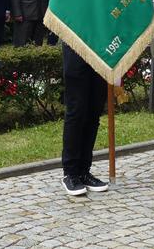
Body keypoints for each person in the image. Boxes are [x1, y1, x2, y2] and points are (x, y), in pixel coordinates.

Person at [60, 43, 109, 196]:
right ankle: (71, 173)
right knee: (77, 111)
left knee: (94, 111)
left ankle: (84, 171)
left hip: (100, 47)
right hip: (76, 43)